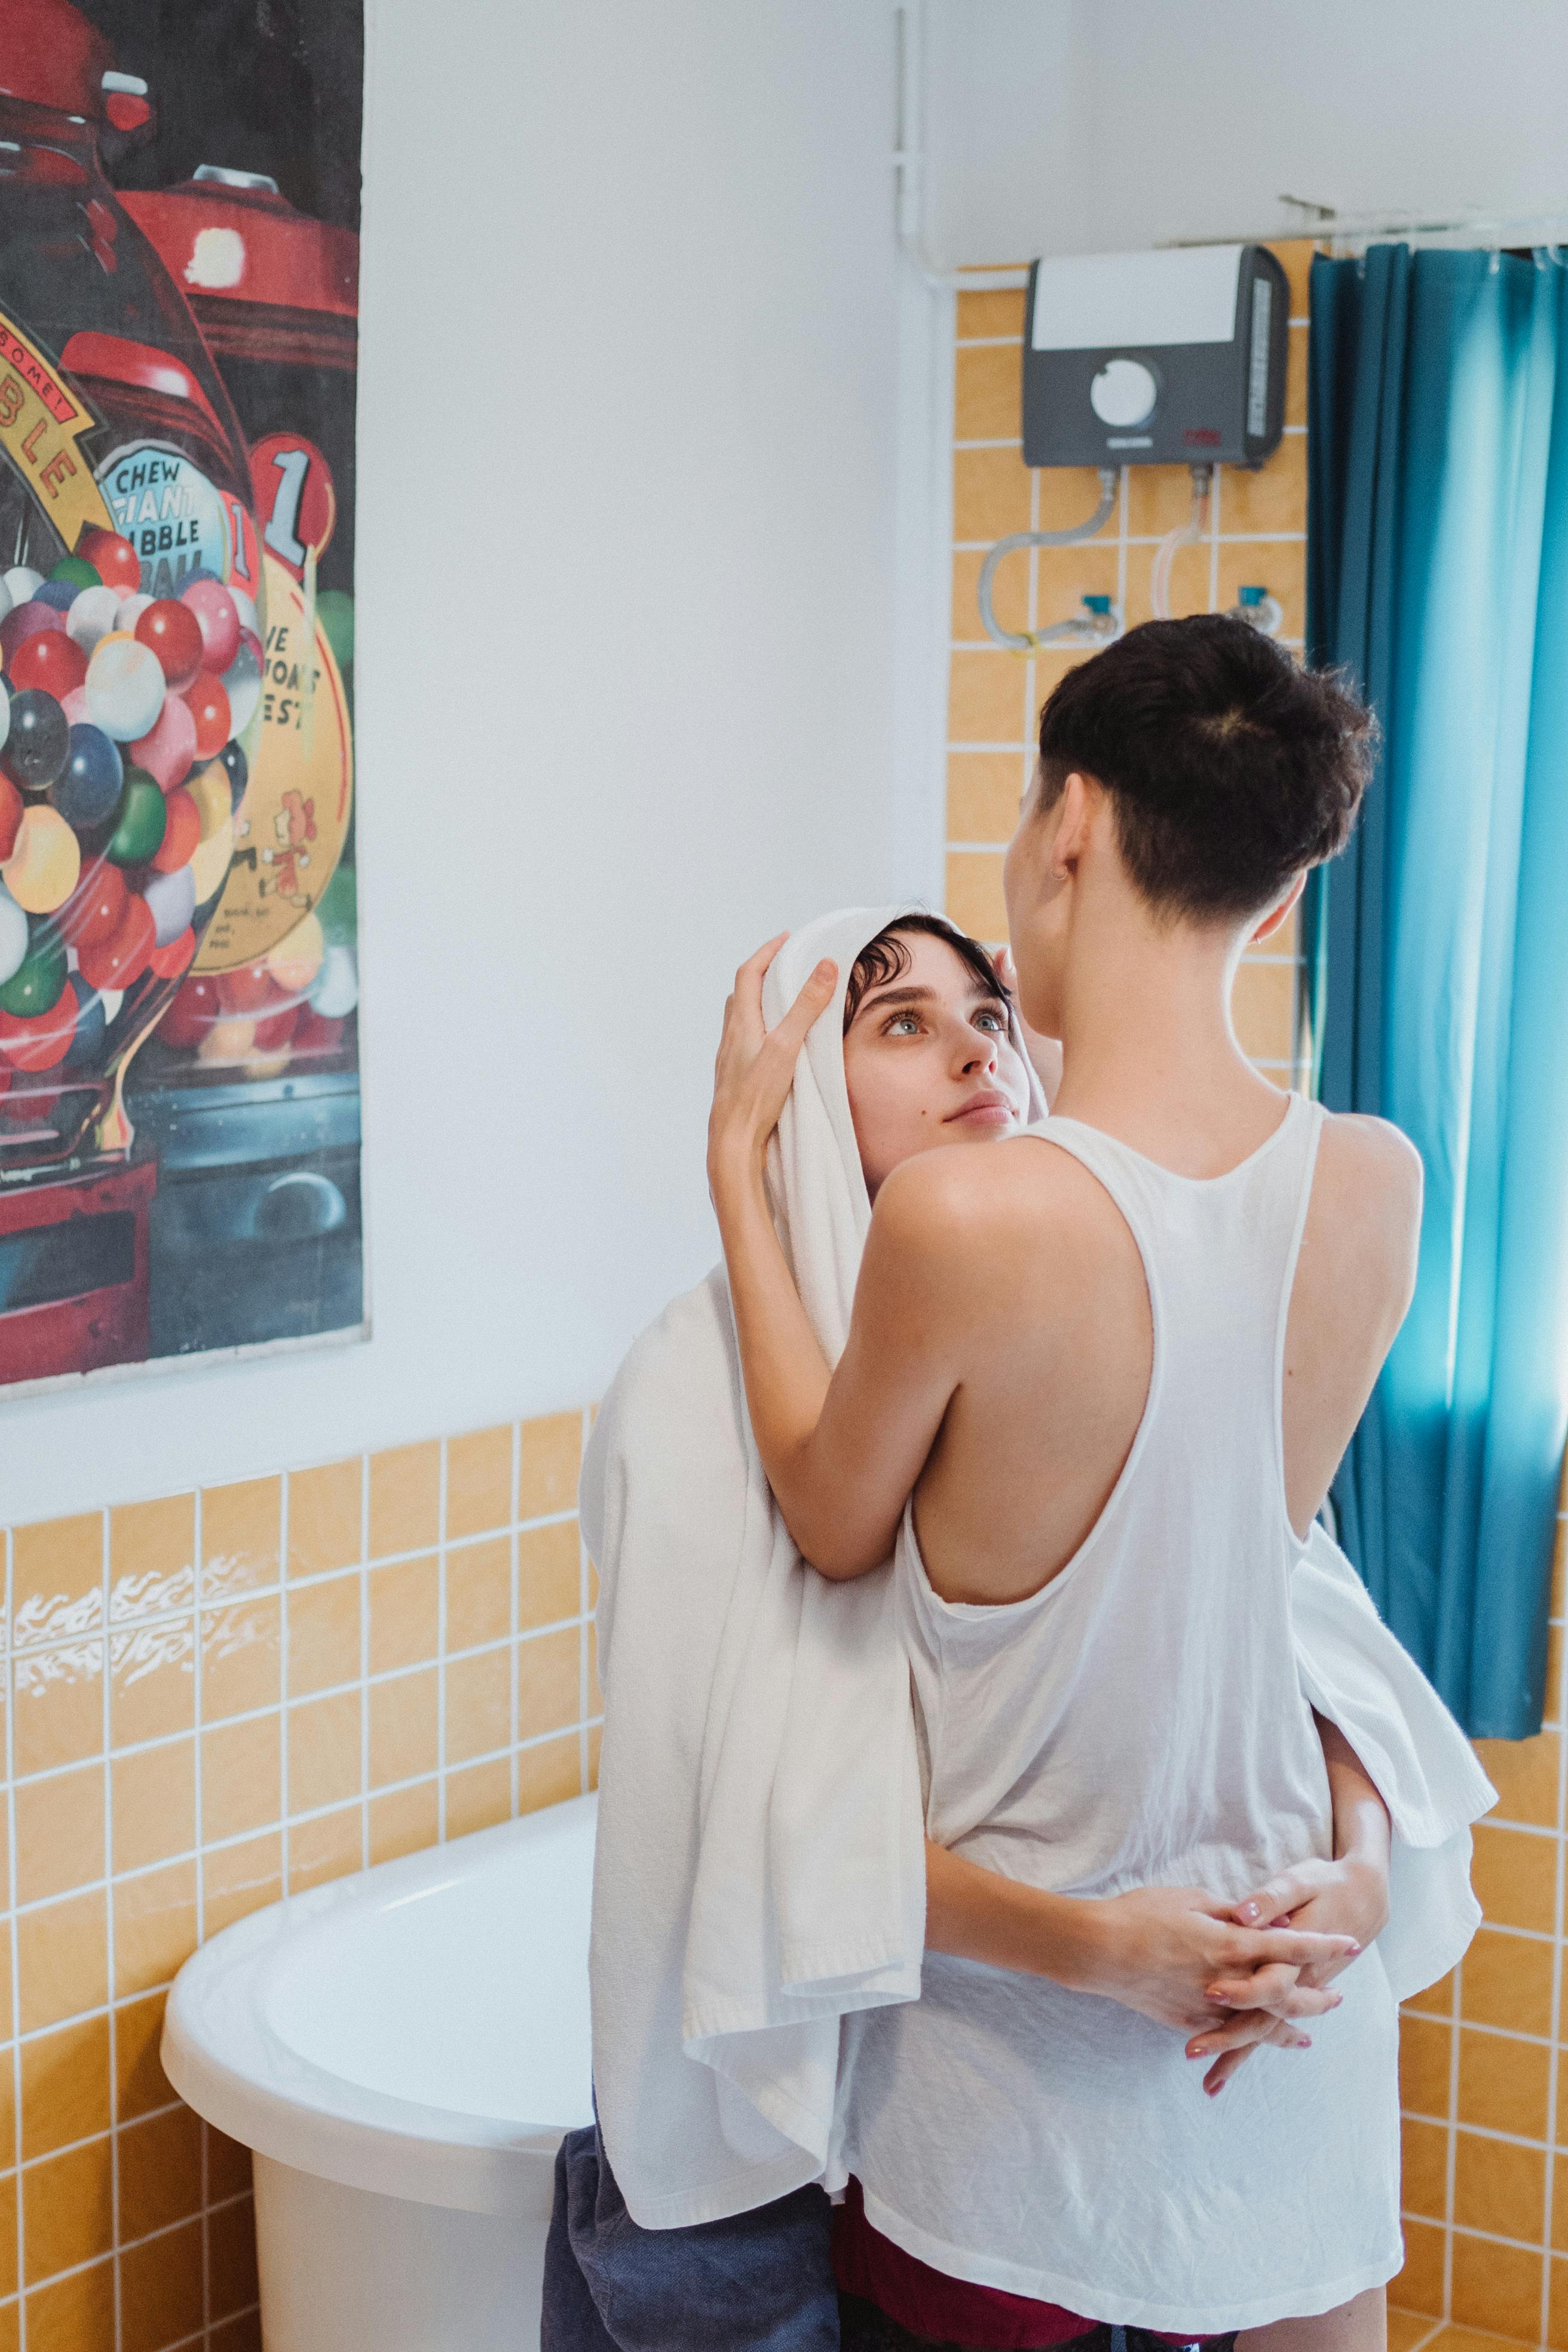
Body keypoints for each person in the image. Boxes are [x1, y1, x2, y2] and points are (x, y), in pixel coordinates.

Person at [703, 615, 1431, 2349]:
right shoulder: (1376, 1183)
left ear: (1071, 828)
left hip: (1014, 2109)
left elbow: (829, 1513)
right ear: (1274, 902)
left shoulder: (972, 1217)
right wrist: (1362, 1865)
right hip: (1288, 2016)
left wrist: (741, 1173)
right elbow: (1262, 1588)